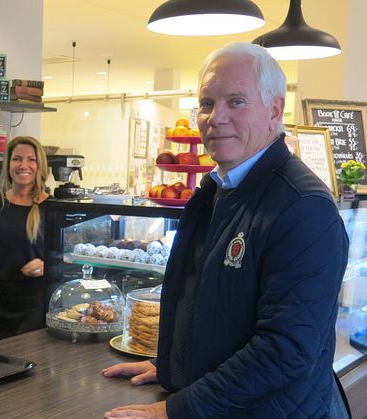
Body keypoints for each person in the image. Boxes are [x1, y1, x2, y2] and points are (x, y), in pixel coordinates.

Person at [103, 43, 350, 418]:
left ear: (274, 110)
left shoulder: (304, 206)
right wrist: (175, 366)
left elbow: (283, 351)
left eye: (236, 101)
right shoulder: (218, 190)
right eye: (206, 103)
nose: (216, 117)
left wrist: (175, 409)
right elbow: (210, 303)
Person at [0, 136, 50, 342]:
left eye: (31, 160)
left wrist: (47, 265)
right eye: (17, 159)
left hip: (34, 305)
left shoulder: (52, 208)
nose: (23, 165)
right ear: (8, 164)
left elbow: (66, 258)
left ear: (40, 165)